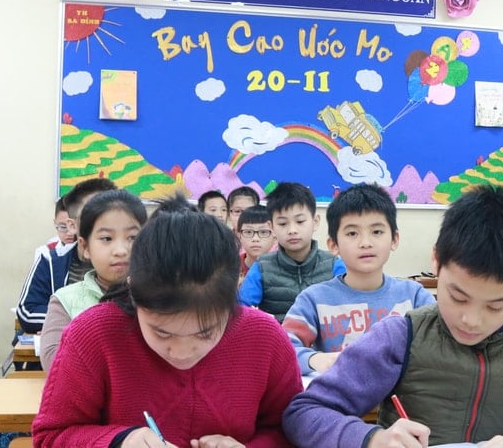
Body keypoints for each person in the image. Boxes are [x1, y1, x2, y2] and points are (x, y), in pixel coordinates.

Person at [283, 185, 503, 447]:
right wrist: (371, 438)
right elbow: (304, 412)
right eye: (457, 296)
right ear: (436, 262)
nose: (471, 319)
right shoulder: (401, 336)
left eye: (496, 306)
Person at [32, 208, 302, 447]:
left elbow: (291, 431)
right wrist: (119, 441)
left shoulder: (265, 338)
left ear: (233, 297)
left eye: (205, 332)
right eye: (162, 332)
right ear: (133, 292)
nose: (181, 352)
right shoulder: (93, 335)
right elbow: (51, 436)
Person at [282, 184, 434, 375]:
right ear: (333, 245)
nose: (366, 243)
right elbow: (282, 349)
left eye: (377, 232)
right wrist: (316, 359)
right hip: (341, 398)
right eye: (352, 233)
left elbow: (438, 347)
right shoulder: (314, 299)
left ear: (394, 239)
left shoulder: (415, 296)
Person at [40, 189, 147, 373]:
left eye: (132, 238)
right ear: (85, 247)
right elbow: (53, 361)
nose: (121, 250)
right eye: (106, 238)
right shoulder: (66, 300)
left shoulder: (156, 295)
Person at [16, 177, 116, 334]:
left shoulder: (129, 264)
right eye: (93, 214)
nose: (103, 222)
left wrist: (63, 320)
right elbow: (27, 313)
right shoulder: (51, 260)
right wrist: (88, 322)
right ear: (72, 225)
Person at [238, 182, 345, 320]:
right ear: (271, 227)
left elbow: (350, 307)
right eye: (282, 224)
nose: (292, 230)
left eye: (300, 221)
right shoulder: (261, 267)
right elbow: (241, 311)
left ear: (315, 222)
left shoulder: (334, 266)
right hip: (277, 339)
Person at [236, 205, 274, 280]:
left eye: (263, 232)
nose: (255, 239)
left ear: (275, 235)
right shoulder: (230, 267)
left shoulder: (283, 267)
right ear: (239, 235)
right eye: (248, 232)